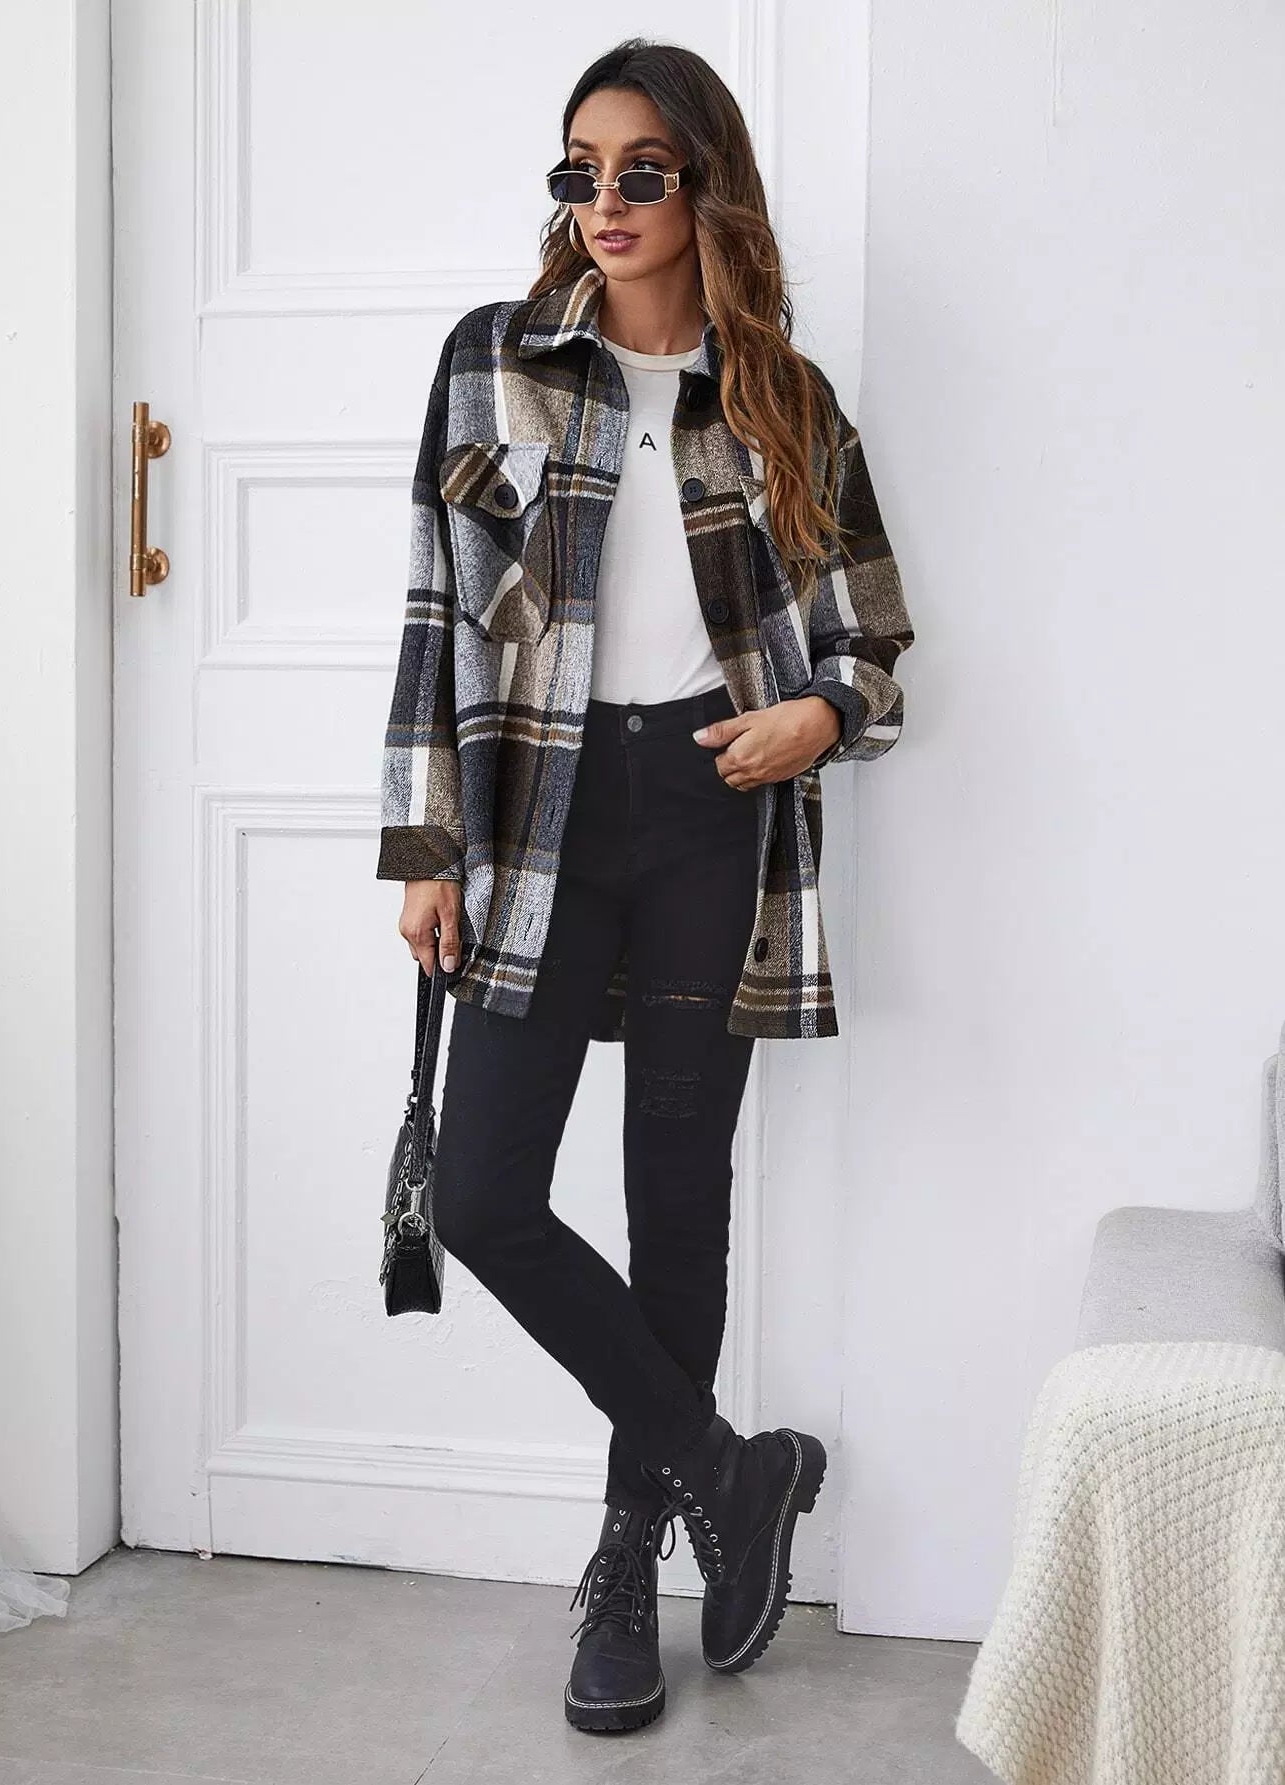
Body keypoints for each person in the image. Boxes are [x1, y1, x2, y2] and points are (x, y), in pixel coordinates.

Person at [375, 37, 914, 1735]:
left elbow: (874, 638)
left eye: (640, 173)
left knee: (677, 1201)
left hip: (703, 809)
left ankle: (628, 1567)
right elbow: (435, 609)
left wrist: (818, 716)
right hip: (536, 812)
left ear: (706, 189)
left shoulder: (787, 400)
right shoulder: (496, 361)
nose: (602, 203)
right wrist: (423, 841)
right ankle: (725, 1469)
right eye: (579, 173)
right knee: (485, 1197)